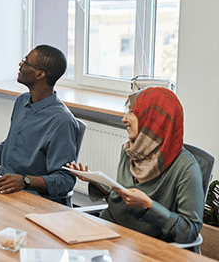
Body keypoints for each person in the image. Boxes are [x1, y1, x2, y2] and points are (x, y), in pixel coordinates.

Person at [67, 87, 204, 243]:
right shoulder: (130, 150)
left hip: (144, 244)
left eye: (132, 112)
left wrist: (148, 205)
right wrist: (95, 181)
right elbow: (125, 199)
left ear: (153, 119)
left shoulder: (187, 169)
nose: (124, 119)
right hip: (110, 231)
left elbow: (190, 231)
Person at [0, 45, 78, 204]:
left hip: (33, 198)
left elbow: (65, 180)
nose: (20, 64)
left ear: (40, 74)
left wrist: (26, 181)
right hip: (3, 188)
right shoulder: (22, 101)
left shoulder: (62, 121)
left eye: (26, 61)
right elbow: (11, 144)